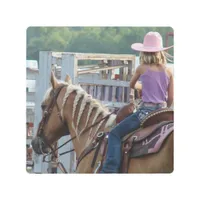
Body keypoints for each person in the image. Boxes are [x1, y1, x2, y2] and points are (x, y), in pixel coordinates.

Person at [100, 31, 174, 173]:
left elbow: (132, 84)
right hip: (164, 112)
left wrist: (142, 87)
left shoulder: (141, 68)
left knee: (115, 133)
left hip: (145, 113)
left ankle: (109, 170)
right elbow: (171, 98)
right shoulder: (169, 71)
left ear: (144, 52)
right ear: (160, 52)